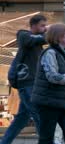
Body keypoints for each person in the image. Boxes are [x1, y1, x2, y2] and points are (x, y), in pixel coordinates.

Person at [2, 14, 47, 144]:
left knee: (21, 118)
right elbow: (31, 40)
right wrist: (49, 34)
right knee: (39, 115)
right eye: (42, 26)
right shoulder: (23, 35)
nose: (44, 28)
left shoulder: (38, 43)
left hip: (31, 83)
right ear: (33, 26)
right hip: (26, 83)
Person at [31, 23, 65, 144]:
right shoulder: (50, 53)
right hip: (49, 103)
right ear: (59, 37)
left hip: (64, 103)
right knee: (47, 137)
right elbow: (53, 77)